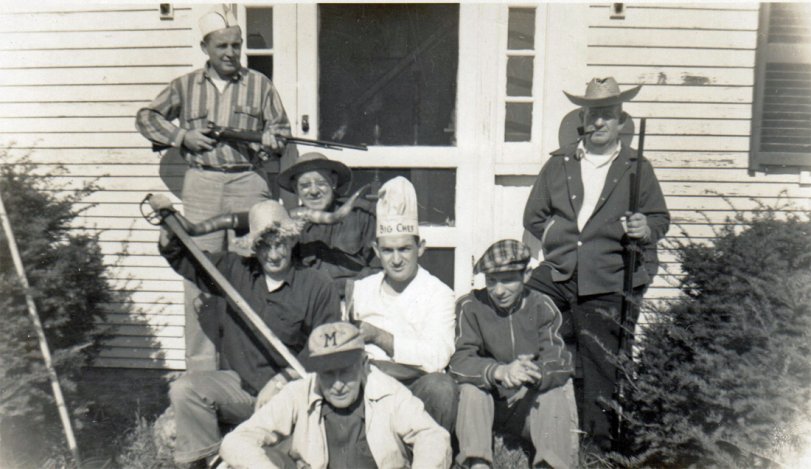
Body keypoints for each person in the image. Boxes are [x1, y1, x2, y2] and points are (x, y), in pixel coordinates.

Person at [136, 5, 292, 371]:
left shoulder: (260, 85)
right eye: (221, 46)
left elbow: (281, 133)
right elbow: (146, 117)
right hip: (202, 184)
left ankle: (252, 371)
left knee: (253, 271)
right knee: (200, 276)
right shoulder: (185, 85)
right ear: (205, 47)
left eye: (236, 45)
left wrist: (272, 141)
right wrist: (181, 136)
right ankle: (202, 377)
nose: (230, 53)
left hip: (249, 182)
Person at [522, 77, 670, 450]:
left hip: (608, 277)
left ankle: (597, 450)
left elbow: (659, 219)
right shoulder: (559, 164)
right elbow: (534, 217)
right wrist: (561, 237)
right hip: (558, 274)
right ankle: (527, 430)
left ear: (621, 120)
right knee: (522, 327)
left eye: (608, 115)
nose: (600, 122)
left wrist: (644, 228)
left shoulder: (638, 167)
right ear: (583, 119)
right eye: (593, 115)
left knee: (602, 366)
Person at [158, 199, 340, 468]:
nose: (273, 254)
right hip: (240, 387)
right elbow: (188, 261)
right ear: (254, 247)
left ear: (291, 241)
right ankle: (208, 461)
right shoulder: (235, 270)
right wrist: (167, 229)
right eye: (264, 246)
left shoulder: (317, 285)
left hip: (292, 391)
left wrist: (282, 380)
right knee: (185, 389)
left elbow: (326, 346)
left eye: (279, 243)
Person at [220, 322, 452, 469]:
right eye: (328, 373)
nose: (338, 384)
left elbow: (432, 436)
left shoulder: (388, 391)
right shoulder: (299, 392)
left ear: (363, 363)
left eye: (346, 371)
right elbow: (236, 441)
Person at [450, 239, 578, 469]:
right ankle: (478, 464)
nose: (499, 291)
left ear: (526, 275)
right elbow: (459, 361)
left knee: (554, 395)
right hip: (488, 408)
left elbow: (560, 362)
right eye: (491, 281)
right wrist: (498, 371)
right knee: (471, 392)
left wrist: (536, 372)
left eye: (508, 280)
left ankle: (549, 465)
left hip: (526, 406)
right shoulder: (470, 306)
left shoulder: (542, 306)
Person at [344, 176, 458, 431]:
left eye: (404, 249)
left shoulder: (438, 293)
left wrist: (379, 336)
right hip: (368, 383)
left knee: (441, 387)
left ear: (421, 248)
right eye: (388, 250)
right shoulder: (361, 289)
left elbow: (437, 357)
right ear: (376, 250)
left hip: (416, 385)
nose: (396, 260)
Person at [278, 152, 378, 292]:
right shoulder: (288, 222)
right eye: (305, 185)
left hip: (358, 295)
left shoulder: (361, 214)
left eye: (321, 183)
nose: (314, 191)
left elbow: (378, 266)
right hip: (311, 300)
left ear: (334, 182)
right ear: (295, 189)